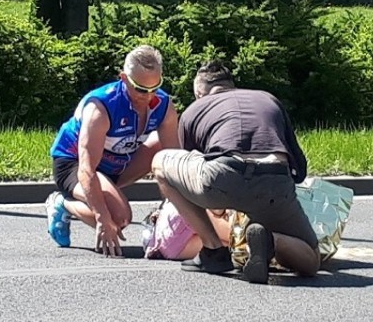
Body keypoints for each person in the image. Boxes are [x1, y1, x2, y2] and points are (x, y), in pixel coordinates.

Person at [151, 60, 319, 284]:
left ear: (200, 93)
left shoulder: (194, 110)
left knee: (160, 163)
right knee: (311, 258)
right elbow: (299, 166)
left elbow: (194, 174)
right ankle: (270, 240)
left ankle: (213, 251)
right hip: (275, 180)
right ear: (231, 85)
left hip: (226, 175)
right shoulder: (268, 99)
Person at [47, 45, 179, 256]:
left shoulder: (163, 104)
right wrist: (101, 218)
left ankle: (107, 194)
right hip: (74, 163)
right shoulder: (101, 107)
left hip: (115, 163)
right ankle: (61, 203)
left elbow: (175, 160)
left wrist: (176, 207)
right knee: (118, 219)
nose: (148, 95)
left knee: (163, 147)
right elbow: (86, 169)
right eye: (140, 89)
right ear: (124, 78)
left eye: (155, 87)